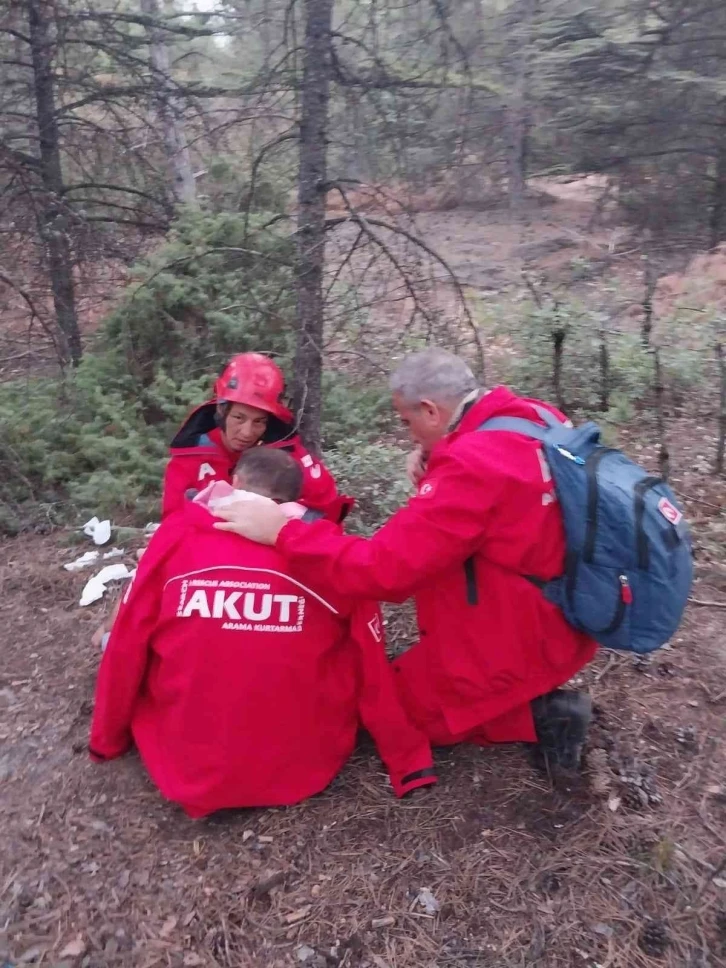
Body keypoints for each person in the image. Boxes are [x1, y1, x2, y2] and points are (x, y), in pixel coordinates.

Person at [213, 349, 599, 770]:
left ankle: (547, 717)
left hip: (523, 635)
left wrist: (283, 532)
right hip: (557, 607)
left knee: (389, 712)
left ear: (431, 410)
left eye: (407, 422)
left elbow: (382, 570)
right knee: (395, 685)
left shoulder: (473, 468)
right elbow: (504, 494)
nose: (409, 434)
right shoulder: (530, 415)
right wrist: (440, 455)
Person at [89, 448, 436, 818]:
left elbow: (126, 646)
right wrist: (408, 762)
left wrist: (105, 741)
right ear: (294, 501)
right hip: (302, 766)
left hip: (182, 767)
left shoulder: (176, 537)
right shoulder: (326, 550)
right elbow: (371, 665)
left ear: (234, 483)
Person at [162, 352, 353, 522]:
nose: (247, 432)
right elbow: (173, 524)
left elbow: (328, 510)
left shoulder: (288, 457)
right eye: (239, 418)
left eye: (259, 422)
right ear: (221, 410)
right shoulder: (189, 460)